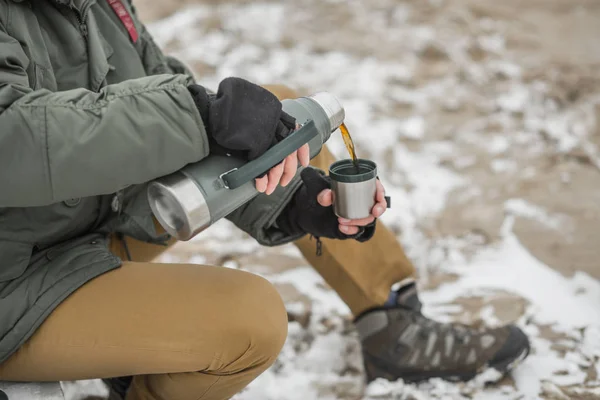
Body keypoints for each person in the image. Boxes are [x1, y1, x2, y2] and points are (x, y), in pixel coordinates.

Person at [0, 1, 530, 399]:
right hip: (15, 280)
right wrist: (201, 115)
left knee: (281, 120)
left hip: (86, 228)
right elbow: (13, 141)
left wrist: (291, 199)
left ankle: (393, 323)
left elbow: (151, 101)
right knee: (249, 322)